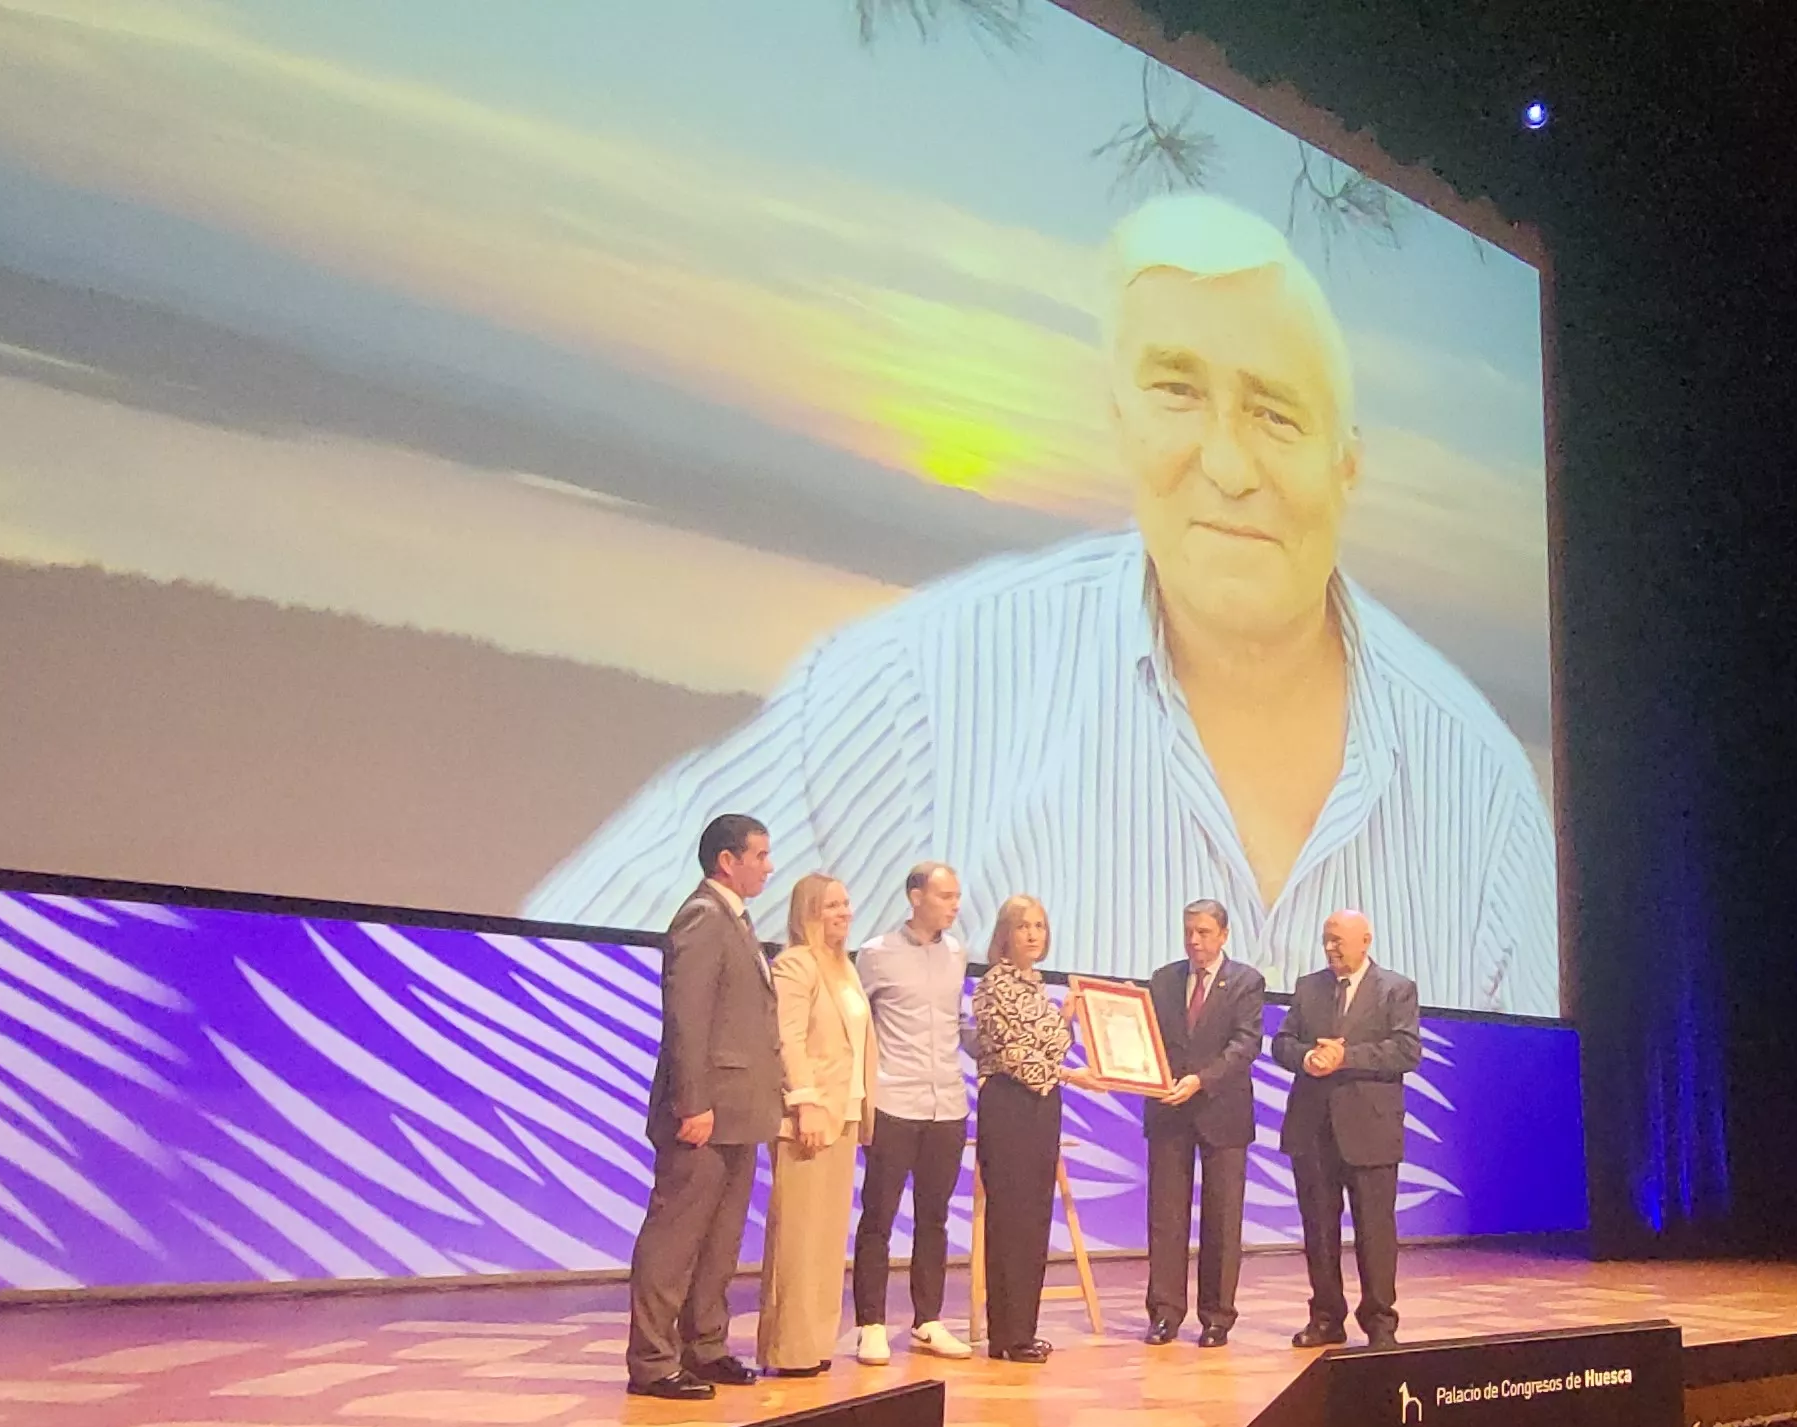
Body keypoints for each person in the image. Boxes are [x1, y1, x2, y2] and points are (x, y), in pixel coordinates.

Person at [525, 192, 1557, 1019]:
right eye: (1175, 392)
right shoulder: (921, 690)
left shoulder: (1482, 784)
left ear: (1348, 467)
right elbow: (560, 1001)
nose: (1228, 463)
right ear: (1117, 420)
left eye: (1277, 413)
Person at [625, 814, 781, 1400]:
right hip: (705, 1110)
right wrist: (693, 1101)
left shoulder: (735, 921)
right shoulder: (702, 916)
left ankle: (705, 1344)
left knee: (720, 1239)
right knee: (675, 1238)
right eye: (760, 855)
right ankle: (652, 1360)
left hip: (742, 1111)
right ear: (727, 860)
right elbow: (686, 1018)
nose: (769, 866)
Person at [1271, 909, 1419, 1351]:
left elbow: (1407, 1052)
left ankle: (1379, 1322)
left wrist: (1346, 1056)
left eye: (1338, 940)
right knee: (1318, 1230)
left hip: (1370, 1130)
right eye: (1326, 940)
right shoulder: (1308, 987)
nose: (1331, 948)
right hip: (1312, 1128)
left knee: (1375, 1232)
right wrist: (1305, 1059)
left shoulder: (1396, 988)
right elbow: (1282, 1042)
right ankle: (1326, 1318)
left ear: (1366, 941)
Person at [967, 895, 1106, 1362]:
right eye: (1023, 925)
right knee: (1010, 1221)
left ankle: (1021, 1332)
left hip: (1043, 1108)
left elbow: (1046, 1047)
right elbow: (1019, 1058)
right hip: (1009, 1106)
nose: (1032, 934)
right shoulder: (993, 985)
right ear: (1004, 934)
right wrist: (1072, 1070)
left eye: (1040, 926)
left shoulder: (1036, 987)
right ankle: (1005, 1334)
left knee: (1033, 1220)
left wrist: (1066, 1017)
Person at [849, 862, 974, 1365]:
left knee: (935, 1217)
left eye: (957, 896)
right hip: (893, 1100)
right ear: (915, 896)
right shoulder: (876, 955)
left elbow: (955, 1022)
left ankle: (928, 1319)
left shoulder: (958, 953)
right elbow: (858, 1027)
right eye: (945, 895)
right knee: (878, 1215)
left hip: (947, 1101)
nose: (954, 904)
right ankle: (871, 1323)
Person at [755, 873, 874, 1377]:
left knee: (827, 1241)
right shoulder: (795, 965)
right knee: (798, 1240)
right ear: (809, 911)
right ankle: (790, 1348)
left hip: (845, 1113)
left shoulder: (843, 968)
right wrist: (804, 1102)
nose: (844, 913)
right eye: (831, 905)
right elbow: (788, 1039)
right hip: (809, 1117)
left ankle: (817, 1342)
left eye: (846, 903)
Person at [1141, 898, 1265, 1348]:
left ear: (1224, 935)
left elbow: (1245, 1044)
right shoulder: (1162, 979)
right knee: (1166, 1217)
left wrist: (1200, 1080)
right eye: (1189, 930)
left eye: (1204, 932)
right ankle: (1165, 1313)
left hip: (1222, 1111)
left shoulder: (1247, 982)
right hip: (1168, 1109)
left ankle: (1216, 1317)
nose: (1195, 940)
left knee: (1222, 1218)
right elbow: (1146, 1040)